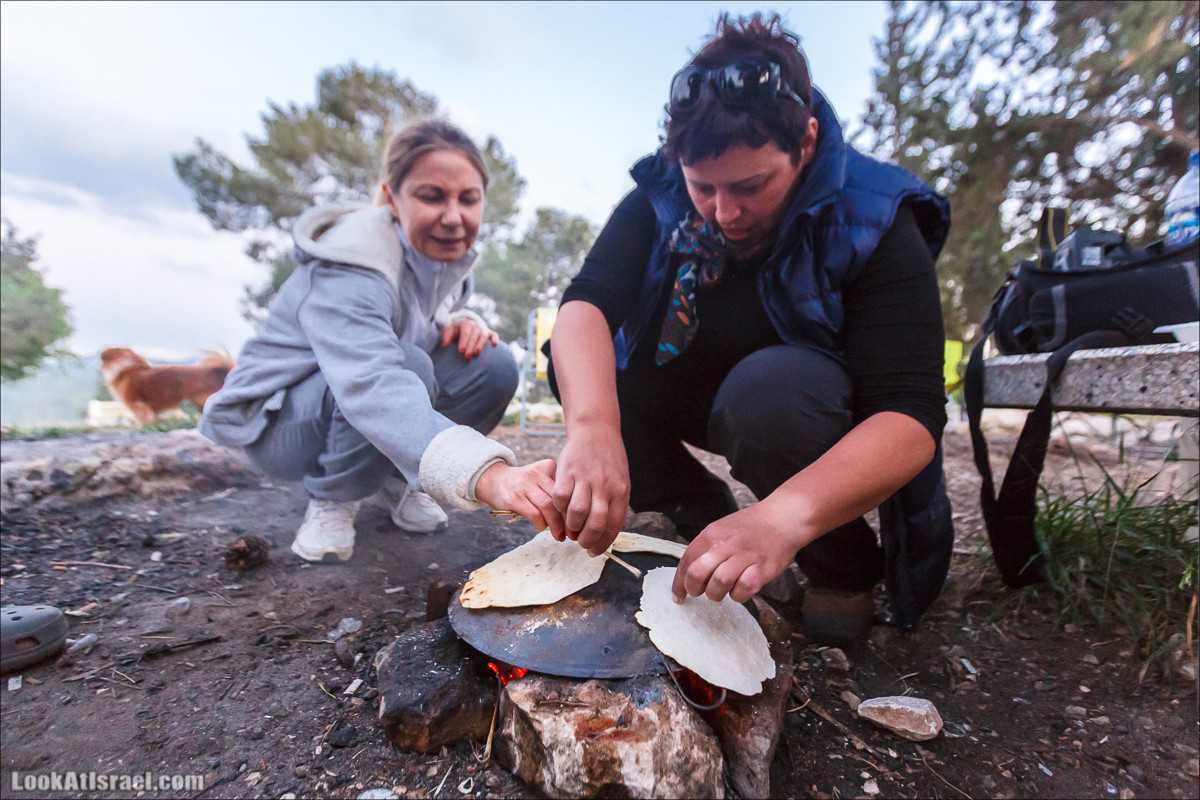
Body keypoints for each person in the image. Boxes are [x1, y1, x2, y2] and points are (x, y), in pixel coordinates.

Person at [545, 13, 954, 644]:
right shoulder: (661, 196)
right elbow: (586, 306)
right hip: (688, 389)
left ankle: (838, 562)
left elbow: (912, 418)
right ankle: (702, 511)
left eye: (751, 186)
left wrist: (782, 520)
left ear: (808, 142)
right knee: (581, 373)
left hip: (799, 409)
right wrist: (593, 429)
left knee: (769, 395)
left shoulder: (874, 214)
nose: (724, 212)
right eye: (702, 186)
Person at [200, 119, 564, 563]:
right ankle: (333, 498)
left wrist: (457, 319)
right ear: (392, 198)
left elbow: (410, 316)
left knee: (492, 364)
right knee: (408, 365)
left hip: (348, 398)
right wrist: (488, 475)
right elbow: (372, 380)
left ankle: (401, 480)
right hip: (278, 423)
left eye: (468, 199)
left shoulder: (443, 259)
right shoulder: (352, 260)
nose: (453, 217)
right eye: (432, 196)